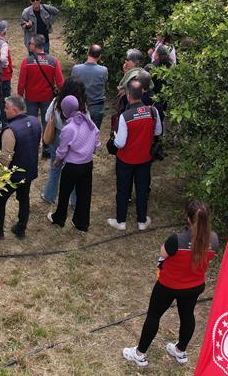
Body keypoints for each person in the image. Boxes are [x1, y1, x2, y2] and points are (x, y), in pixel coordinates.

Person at [122, 201, 217, 367]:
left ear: (187, 218)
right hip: (194, 286)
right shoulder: (214, 239)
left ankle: (139, 354)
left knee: (154, 316)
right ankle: (180, 351)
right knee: (187, 316)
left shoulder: (176, 239)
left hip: (168, 285)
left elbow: (163, 253)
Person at [108, 79, 161, 231]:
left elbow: (120, 143)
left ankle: (121, 220)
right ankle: (142, 221)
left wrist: (116, 135)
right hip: (145, 159)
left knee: (123, 189)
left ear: (128, 94)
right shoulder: (153, 111)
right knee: (142, 189)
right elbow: (157, 132)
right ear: (142, 93)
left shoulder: (125, 116)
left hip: (126, 159)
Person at [0, 96, 41, 239]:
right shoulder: (35, 121)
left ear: (14, 110)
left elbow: (5, 157)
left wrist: (1, 176)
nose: (4, 111)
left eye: (6, 108)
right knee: (24, 198)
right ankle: (21, 229)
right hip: (29, 171)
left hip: (13, 175)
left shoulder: (10, 130)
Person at [46, 95, 99, 232]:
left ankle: (59, 218)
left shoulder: (69, 128)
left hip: (72, 167)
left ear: (65, 111)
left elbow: (62, 150)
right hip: (87, 164)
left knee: (64, 193)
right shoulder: (88, 121)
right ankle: (82, 223)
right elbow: (96, 142)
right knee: (84, 195)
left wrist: (57, 162)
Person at [39, 79, 88, 207]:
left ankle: (49, 195)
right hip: (75, 137)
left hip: (57, 137)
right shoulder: (82, 105)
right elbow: (87, 121)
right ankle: (75, 201)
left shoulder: (57, 102)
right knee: (74, 170)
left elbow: (46, 118)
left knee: (55, 168)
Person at [17, 34, 63, 155]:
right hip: (47, 98)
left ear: (35, 46)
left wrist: (20, 95)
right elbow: (60, 82)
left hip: (31, 98)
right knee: (47, 122)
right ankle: (46, 148)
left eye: (30, 43)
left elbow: (21, 82)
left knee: (31, 123)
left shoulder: (26, 62)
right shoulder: (53, 61)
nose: (29, 45)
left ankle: (32, 147)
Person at [70, 44, 109, 128]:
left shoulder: (76, 69)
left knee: (78, 132)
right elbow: (104, 84)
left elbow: (72, 85)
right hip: (97, 107)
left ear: (88, 53)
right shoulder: (104, 70)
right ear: (99, 56)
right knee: (94, 134)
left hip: (80, 106)